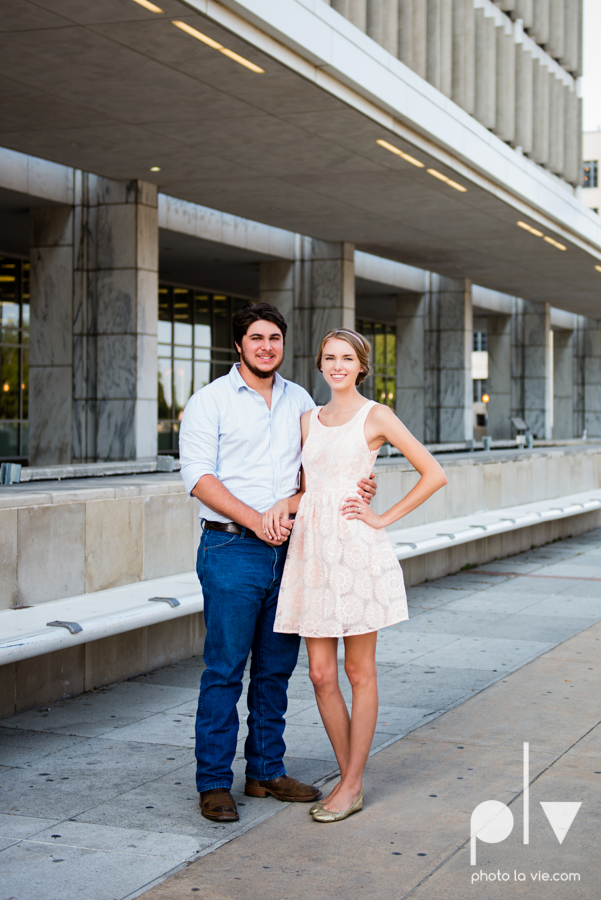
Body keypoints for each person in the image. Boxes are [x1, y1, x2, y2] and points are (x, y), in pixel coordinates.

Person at [179, 304, 378, 823]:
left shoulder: (302, 401)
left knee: (275, 670)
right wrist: (256, 518)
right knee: (224, 669)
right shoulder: (210, 401)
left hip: (293, 550)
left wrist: (361, 483)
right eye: (256, 338)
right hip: (231, 549)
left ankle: (266, 770)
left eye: (274, 338)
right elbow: (199, 477)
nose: (266, 346)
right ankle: (215, 782)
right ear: (238, 345)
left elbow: (320, 470)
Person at [262, 328, 448, 823]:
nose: (338, 365)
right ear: (320, 365)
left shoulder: (377, 416)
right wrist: (286, 501)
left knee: (357, 671)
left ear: (362, 365)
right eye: (329, 357)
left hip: (356, 550)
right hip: (311, 554)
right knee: (321, 674)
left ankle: (351, 784)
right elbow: (312, 489)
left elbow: (434, 473)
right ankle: (351, 780)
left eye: (347, 358)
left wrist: (382, 517)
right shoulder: (308, 420)